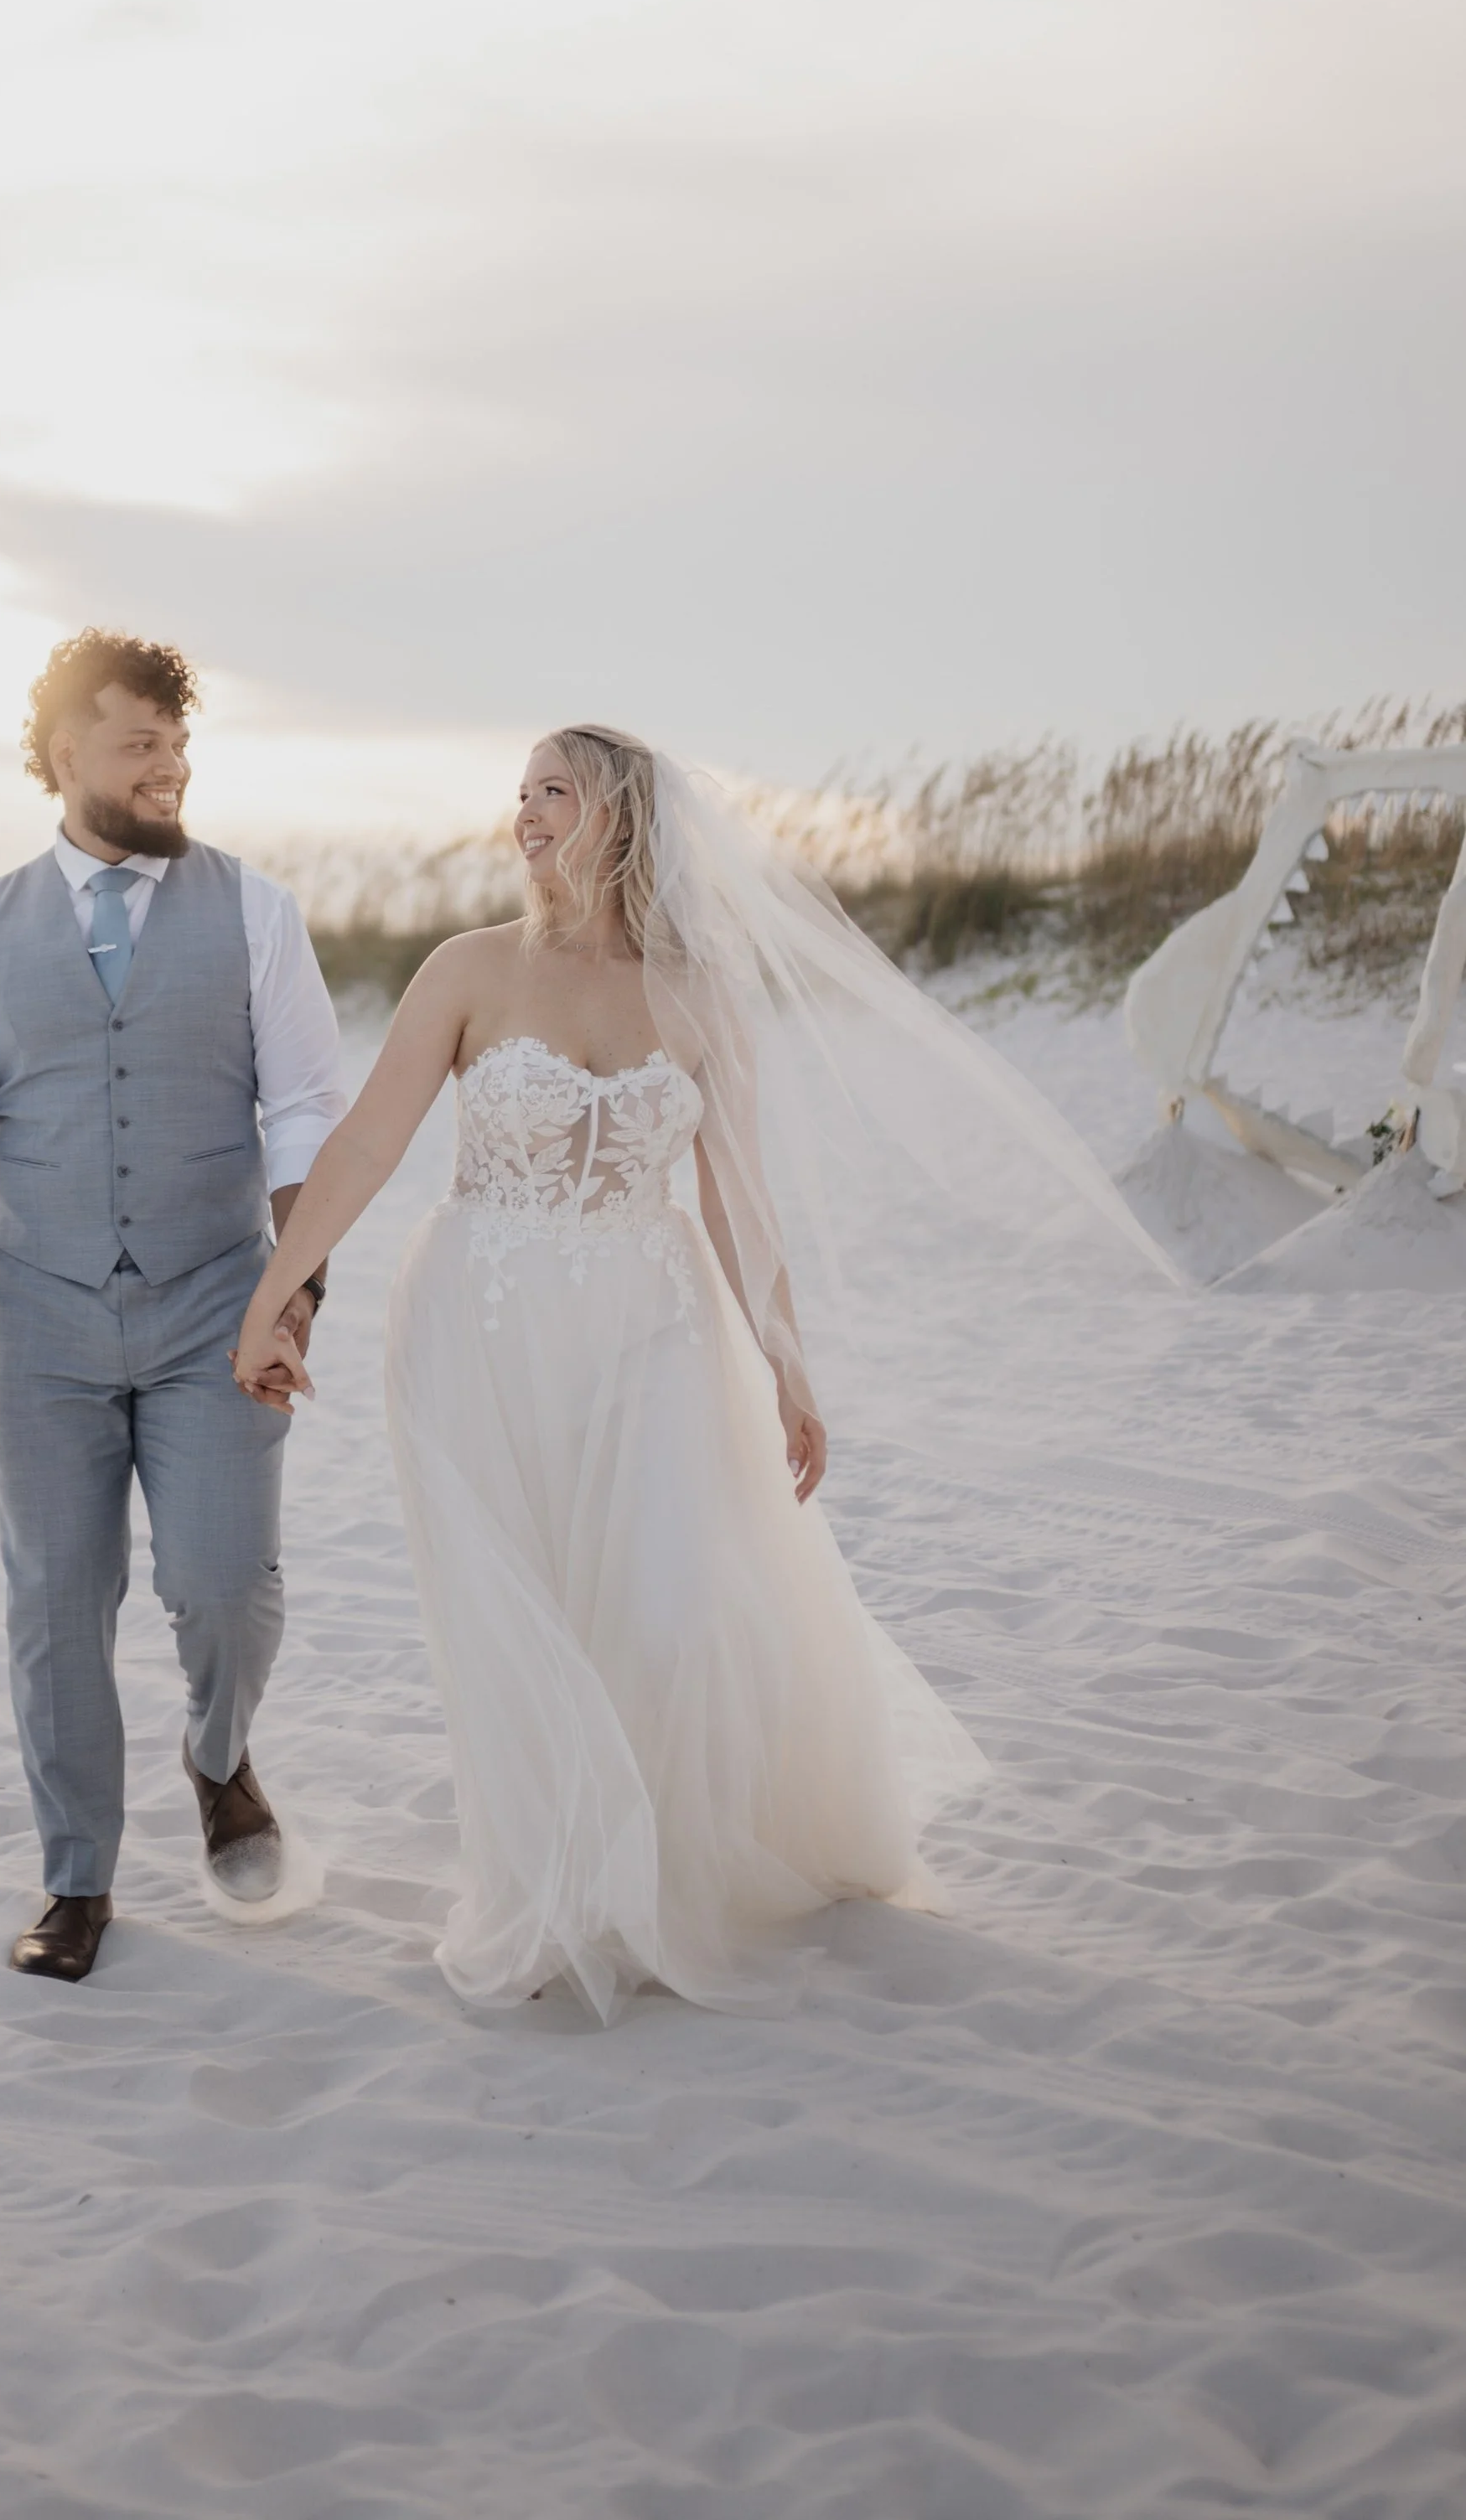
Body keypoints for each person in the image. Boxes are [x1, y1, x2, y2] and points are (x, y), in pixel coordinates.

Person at [234, 722, 1165, 2022]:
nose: (526, 815)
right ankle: (563, 1892)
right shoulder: (468, 970)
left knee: (666, 1607)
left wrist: (787, 1363)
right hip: (481, 1320)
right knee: (525, 1617)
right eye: (520, 795)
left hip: (654, 1324)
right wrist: (276, 1297)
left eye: (553, 792)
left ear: (619, 816)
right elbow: (365, 1149)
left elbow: (739, 1201)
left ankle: (661, 1869)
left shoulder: (702, 992)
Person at [0, 629, 344, 1984]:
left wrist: (294, 1293)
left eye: (180, 744)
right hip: (36, 1318)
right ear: (65, 751)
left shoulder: (256, 913)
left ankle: (219, 1758)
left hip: (219, 1303)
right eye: (142, 742)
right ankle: (76, 1877)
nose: (171, 767)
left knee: (220, 1587)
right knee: (55, 1601)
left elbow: (311, 1111)